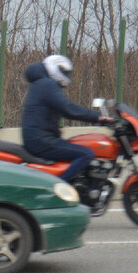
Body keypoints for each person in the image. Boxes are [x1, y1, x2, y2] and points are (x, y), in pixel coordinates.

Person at [21, 54, 107, 183]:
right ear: (54, 68)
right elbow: (67, 108)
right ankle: (59, 188)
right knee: (86, 154)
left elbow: (64, 109)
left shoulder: (40, 83)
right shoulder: (47, 84)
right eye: (64, 72)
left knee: (75, 146)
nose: (66, 76)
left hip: (39, 139)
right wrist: (98, 117)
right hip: (42, 141)